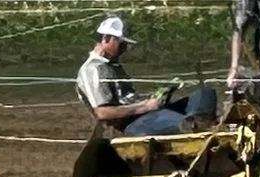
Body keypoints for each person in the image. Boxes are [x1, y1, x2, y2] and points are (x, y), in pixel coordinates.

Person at [75, 17, 219, 135]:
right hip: (132, 125)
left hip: (146, 115)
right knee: (182, 122)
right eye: (122, 44)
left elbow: (128, 99)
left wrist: (158, 96)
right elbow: (103, 113)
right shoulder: (93, 69)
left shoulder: (112, 66)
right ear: (106, 38)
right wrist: (145, 107)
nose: (124, 49)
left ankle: (196, 121)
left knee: (206, 93)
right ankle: (195, 123)